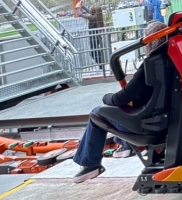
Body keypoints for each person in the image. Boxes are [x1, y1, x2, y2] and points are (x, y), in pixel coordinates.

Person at [72, 20, 168, 182]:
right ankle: (123, 144)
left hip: (147, 125)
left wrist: (106, 97)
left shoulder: (149, 66)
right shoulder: (174, 59)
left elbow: (120, 98)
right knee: (121, 113)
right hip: (166, 120)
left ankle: (90, 164)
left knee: (97, 113)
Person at [88, 4, 106, 70]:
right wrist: (82, 6)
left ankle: (101, 65)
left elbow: (80, 14)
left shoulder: (92, 17)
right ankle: (101, 65)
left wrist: (78, 7)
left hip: (93, 37)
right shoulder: (98, 16)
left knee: (93, 52)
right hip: (97, 37)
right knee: (96, 51)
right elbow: (88, 12)